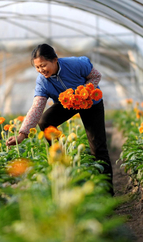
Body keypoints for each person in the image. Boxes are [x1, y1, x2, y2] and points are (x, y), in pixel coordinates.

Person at [6, 43, 113, 196]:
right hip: (66, 103)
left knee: (98, 146)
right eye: (37, 67)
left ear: (55, 60)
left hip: (90, 101)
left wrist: (85, 91)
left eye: (43, 65)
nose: (41, 70)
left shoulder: (76, 64)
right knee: (45, 121)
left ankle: (107, 192)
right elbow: (36, 107)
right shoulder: (42, 81)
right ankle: (59, 155)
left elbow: (96, 76)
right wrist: (22, 134)